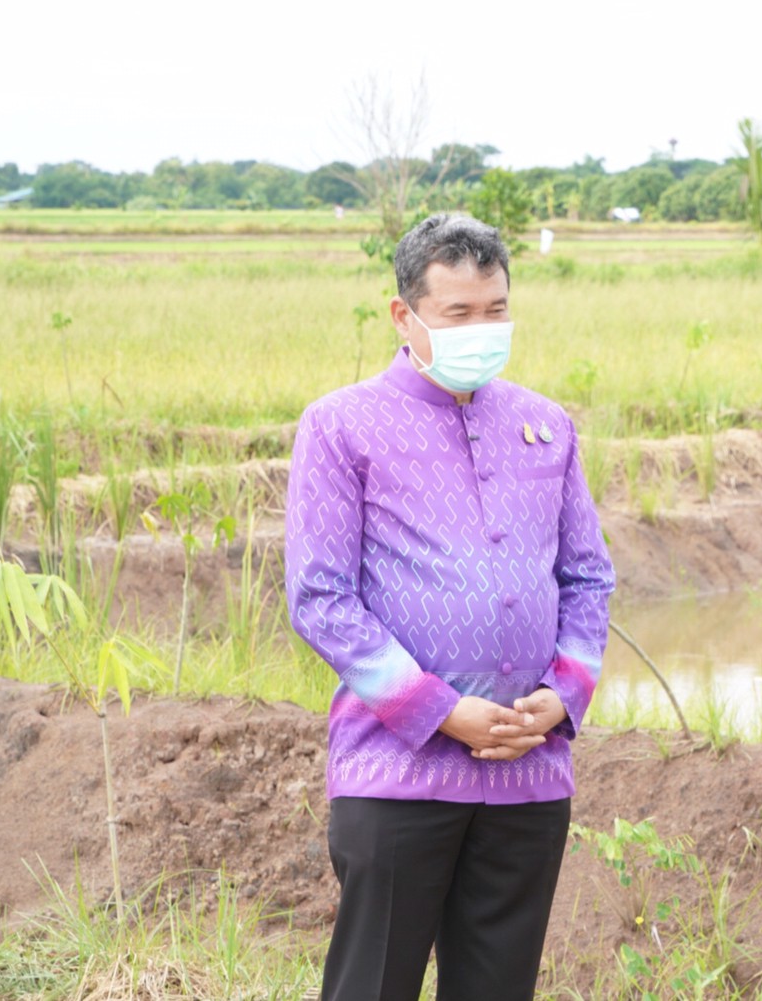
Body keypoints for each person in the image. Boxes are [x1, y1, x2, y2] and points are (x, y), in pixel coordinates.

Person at [286, 213, 614, 1001]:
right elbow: (321, 597)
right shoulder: (341, 426)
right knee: (374, 985)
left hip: (528, 770)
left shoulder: (546, 424)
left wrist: (561, 699)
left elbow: (589, 577)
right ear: (406, 316)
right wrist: (440, 711)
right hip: (398, 770)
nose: (481, 328)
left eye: (495, 309)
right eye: (458, 313)